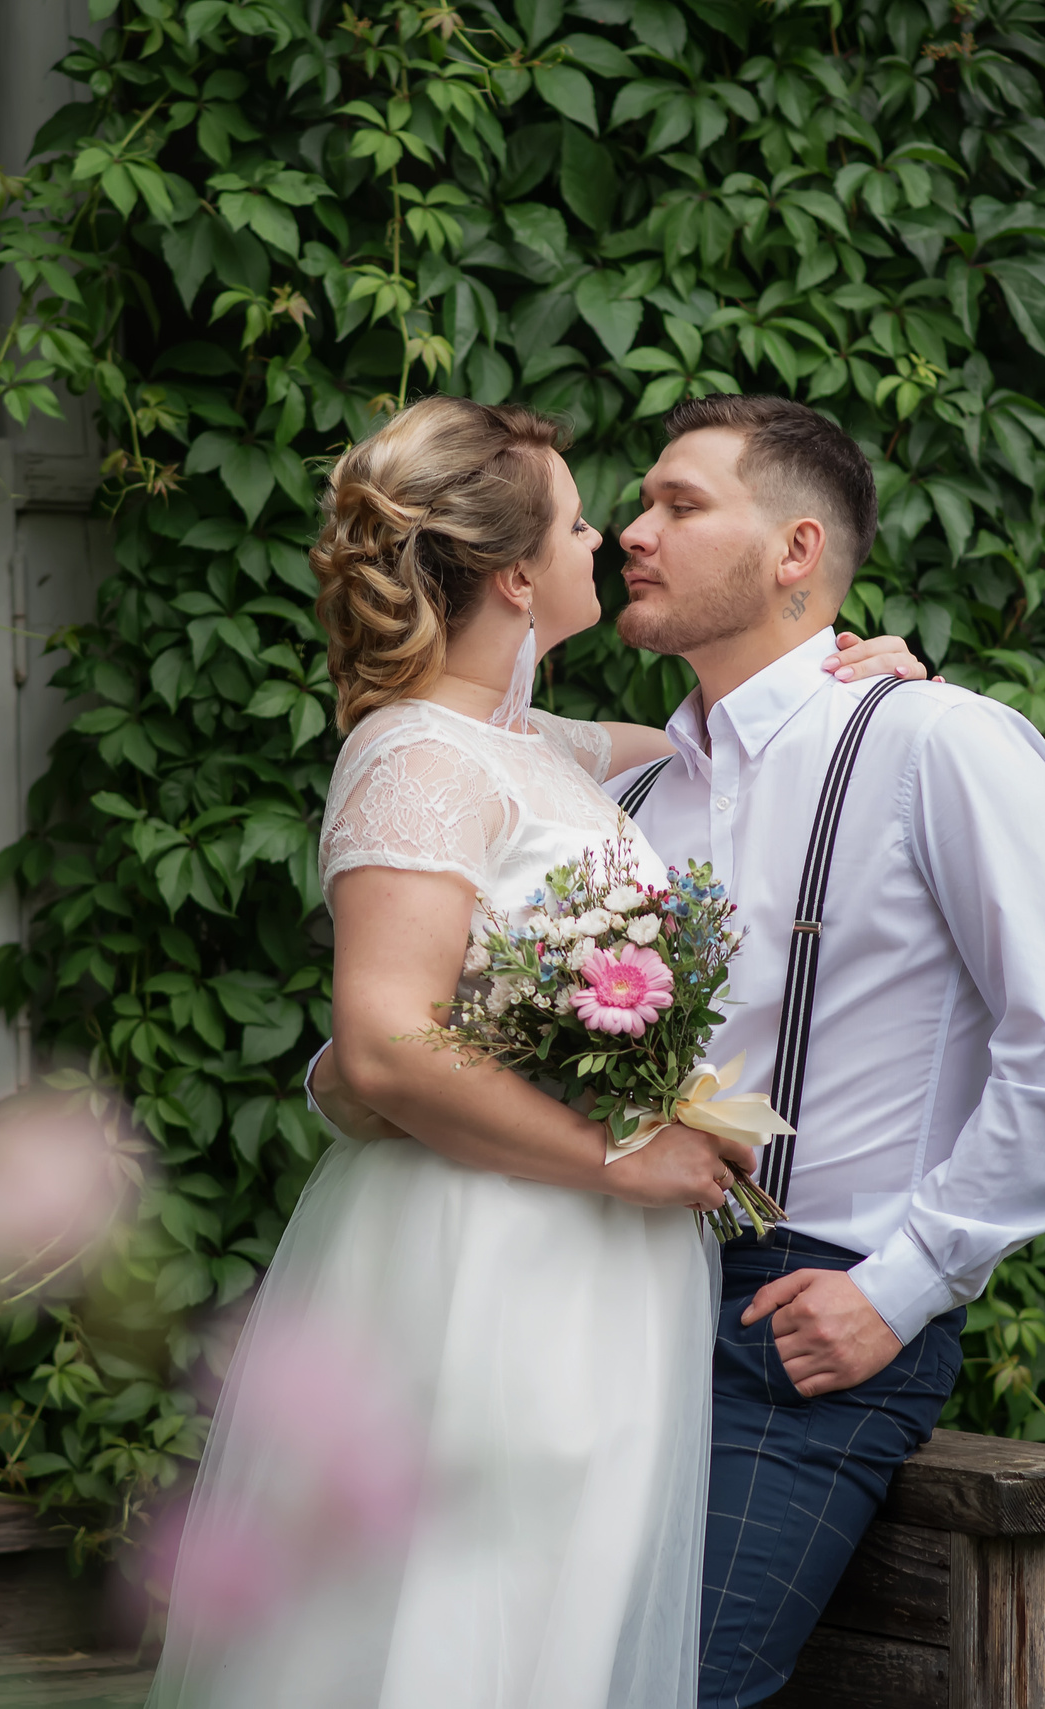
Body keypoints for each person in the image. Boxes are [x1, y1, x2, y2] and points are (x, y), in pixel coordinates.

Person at [142, 398, 922, 1709]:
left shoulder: (551, 751)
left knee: (552, 1636)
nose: (610, 533)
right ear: (513, 575)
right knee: (450, 1623)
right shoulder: (412, 753)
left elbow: (733, 746)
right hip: (486, 1260)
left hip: (594, 1282)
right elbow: (384, 1047)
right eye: (577, 520)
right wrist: (623, 1154)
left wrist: (874, 686)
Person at [605, 396, 1045, 1709]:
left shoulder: (933, 742)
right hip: (610, 1308)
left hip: (808, 1321)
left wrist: (902, 1287)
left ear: (796, 551)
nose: (632, 531)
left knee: (675, 1693)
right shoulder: (629, 799)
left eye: (679, 504)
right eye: (637, 503)